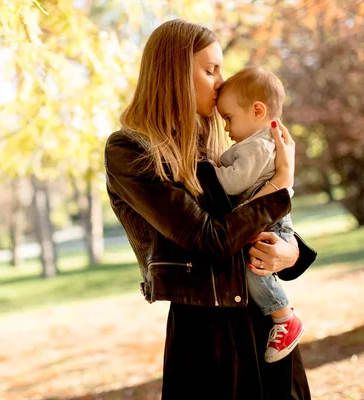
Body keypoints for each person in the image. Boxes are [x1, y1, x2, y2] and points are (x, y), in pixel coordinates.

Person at [104, 19, 317, 399]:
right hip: (206, 338)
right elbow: (211, 240)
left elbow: (255, 223)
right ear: (173, 76)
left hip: (267, 326)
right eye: (209, 70)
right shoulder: (132, 151)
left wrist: (291, 252)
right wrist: (281, 184)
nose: (221, 81)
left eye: (220, 68)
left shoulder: (222, 144)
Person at [213, 67, 304, 363]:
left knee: (255, 268)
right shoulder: (262, 142)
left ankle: (284, 317)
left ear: (257, 110)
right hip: (271, 215)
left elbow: (234, 182)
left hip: (270, 220)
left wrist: (206, 171)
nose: (226, 129)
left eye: (228, 118)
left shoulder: (257, 145)